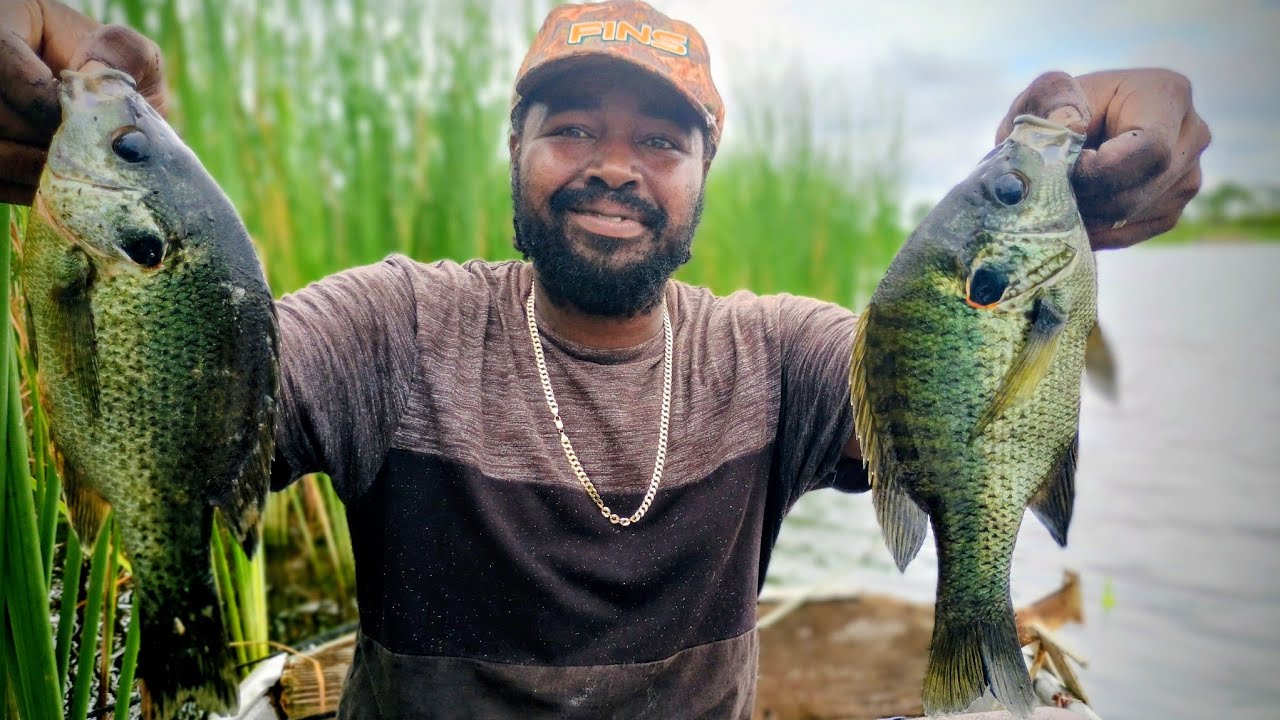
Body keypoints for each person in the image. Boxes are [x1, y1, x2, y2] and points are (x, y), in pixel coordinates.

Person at [0, 1, 1210, 718]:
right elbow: (199, 393)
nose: (613, 164)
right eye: (570, 126)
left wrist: (1097, 142)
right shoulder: (390, 327)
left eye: (659, 139)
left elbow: (941, 378)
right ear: (514, 149)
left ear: (700, 175)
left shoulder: (776, 357)